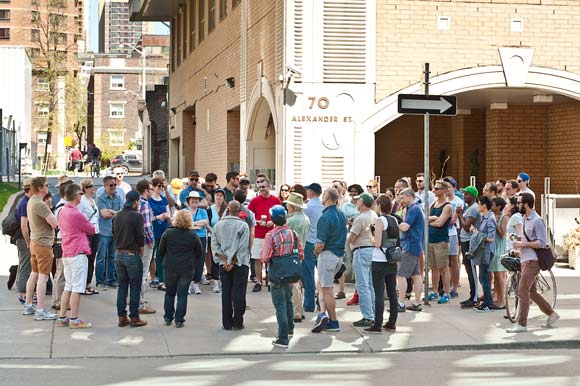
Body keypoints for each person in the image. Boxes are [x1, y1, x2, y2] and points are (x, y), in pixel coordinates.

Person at [508, 193, 559, 332]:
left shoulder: (537, 220)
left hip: (533, 261)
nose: (517, 205)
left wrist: (522, 245)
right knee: (532, 292)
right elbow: (528, 240)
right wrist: (519, 245)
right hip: (525, 259)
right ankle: (552, 314)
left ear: (525, 204)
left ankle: (522, 324)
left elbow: (542, 243)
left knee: (522, 291)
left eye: (519, 203)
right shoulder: (525, 219)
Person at [260, 205, 305, 348]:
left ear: (272, 219)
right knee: (288, 300)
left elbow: (265, 257)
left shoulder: (270, 235)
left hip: (277, 273)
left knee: (279, 304)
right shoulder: (293, 233)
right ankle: (290, 328)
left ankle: (283, 338)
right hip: (291, 272)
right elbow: (301, 253)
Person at [56, 184, 95, 328]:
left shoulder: (62, 211)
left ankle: (62, 317)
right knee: (78, 287)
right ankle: (74, 319)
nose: (81, 195)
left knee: (69, 285)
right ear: (75, 195)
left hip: (67, 252)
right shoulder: (75, 213)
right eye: (80, 193)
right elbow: (90, 229)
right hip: (78, 253)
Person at [158, 210, 203, 328]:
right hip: (186, 268)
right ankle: (179, 320)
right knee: (182, 294)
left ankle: (168, 317)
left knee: (169, 293)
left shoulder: (168, 233)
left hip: (170, 267)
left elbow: (161, 251)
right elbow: (199, 252)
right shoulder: (192, 235)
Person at [311, 188, 346, 333]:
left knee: (327, 289)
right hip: (338, 254)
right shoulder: (341, 214)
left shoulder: (325, 217)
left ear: (325, 197)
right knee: (325, 287)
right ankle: (325, 315)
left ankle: (333, 321)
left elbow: (320, 243)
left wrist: (315, 251)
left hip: (327, 254)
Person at [23, 177, 58, 321]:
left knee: (34, 274)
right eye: (45, 185)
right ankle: (40, 310)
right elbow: (54, 223)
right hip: (43, 244)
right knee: (43, 278)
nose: (47, 187)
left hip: (35, 242)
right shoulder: (40, 204)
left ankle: (28, 305)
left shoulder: (31, 201)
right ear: (39, 188)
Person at [212, 201, 250, 330]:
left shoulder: (218, 225)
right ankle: (238, 321)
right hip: (240, 263)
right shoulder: (243, 226)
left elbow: (214, 246)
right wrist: (232, 261)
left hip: (224, 263)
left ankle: (226, 322)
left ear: (228, 209)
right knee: (239, 293)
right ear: (239, 211)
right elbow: (243, 247)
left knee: (226, 293)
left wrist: (226, 260)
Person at [365, 195, 400, 334]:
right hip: (391, 259)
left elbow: (377, 243)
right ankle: (392, 322)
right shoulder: (394, 220)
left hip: (379, 260)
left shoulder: (380, 220)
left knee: (379, 292)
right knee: (392, 291)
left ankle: (377, 323)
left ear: (379, 205)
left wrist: (369, 234)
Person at [113, 190, 147, 328]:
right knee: (134, 286)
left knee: (122, 286)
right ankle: (134, 317)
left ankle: (122, 317)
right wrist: (141, 247)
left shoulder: (117, 215)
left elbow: (113, 233)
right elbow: (140, 235)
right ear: (136, 202)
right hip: (132, 254)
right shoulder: (137, 216)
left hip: (118, 253)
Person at [348, 192, 378, 328]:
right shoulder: (374, 215)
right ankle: (373, 313)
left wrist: (349, 240)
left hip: (361, 250)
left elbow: (352, 237)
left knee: (362, 285)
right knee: (370, 284)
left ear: (362, 202)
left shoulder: (360, 218)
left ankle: (368, 316)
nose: (356, 202)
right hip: (372, 250)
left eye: (358, 200)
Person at [248, 177, 281, 292]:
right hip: (258, 234)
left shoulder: (276, 200)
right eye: (260, 187)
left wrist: (273, 221)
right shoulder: (254, 201)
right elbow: (249, 216)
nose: (262, 189)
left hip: (272, 234)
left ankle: (269, 281)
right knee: (257, 258)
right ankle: (258, 281)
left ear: (269, 187)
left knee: (271, 259)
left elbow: (281, 216)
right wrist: (258, 222)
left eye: (264, 187)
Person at [283, 192, 310, 323]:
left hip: (290, 253)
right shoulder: (305, 219)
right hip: (300, 251)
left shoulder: (291, 220)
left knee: (292, 283)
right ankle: (300, 308)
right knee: (298, 282)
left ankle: (297, 311)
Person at [396, 189, 424, 313]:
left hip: (410, 245)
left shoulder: (413, 209)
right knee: (416, 275)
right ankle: (417, 303)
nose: (400, 200)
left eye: (402, 198)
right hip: (416, 245)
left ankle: (400, 303)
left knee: (401, 275)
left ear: (408, 196)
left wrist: (396, 224)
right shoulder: (416, 208)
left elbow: (405, 226)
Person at [426, 180, 453, 304]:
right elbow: (426, 219)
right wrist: (433, 219)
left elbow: (440, 223)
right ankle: (435, 291)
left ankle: (446, 293)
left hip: (441, 241)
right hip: (430, 240)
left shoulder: (447, 206)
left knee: (443, 268)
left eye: (437, 189)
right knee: (434, 267)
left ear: (444, 190)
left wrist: (431, 221)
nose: (434, 191)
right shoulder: (433, 204)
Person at [95, 175, 123, 290]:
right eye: (111, 185)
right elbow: (104, 214)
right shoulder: (100, 198)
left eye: (115, 185)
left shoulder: (118, 197)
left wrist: (112, 212)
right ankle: (100, 281)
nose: (113, 187)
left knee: (112, 256)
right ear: (105, 186)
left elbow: (122, 212)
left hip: (115, 231)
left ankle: (111, 279)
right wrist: (114, 213)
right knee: (101, 257)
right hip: (104, 231)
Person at [457, 186, 481, 309]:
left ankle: (475, 297)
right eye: (464, 194)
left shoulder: (473, 209)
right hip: (465, 240)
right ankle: (472, 296)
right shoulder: (469, 208)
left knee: (471, 269)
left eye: (467, 195)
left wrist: (460, 215)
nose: (464, 196)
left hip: (469, 241)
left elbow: (466, 226)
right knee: (467, 268)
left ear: (473, 196)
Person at [473, 196, 497, 313]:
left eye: (479, 204)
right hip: (483, 251)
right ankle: (487, 301)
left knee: (484, 277)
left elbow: (491, 238)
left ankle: (488, 303)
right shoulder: (483, 217)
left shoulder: (490, 218)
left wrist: (479, 236)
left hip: (488, 251)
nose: (477, 206)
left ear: (484, 205)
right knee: (482, 277)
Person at [302, 182, 324, 308]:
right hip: (321, 242)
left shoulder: (307, 208)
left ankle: (309, 303)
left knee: (308, 274)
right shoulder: (323, 207)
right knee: (322, 275)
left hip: (309, 242)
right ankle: (321, 301)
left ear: (312, 192)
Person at [136, 179, 156, 314]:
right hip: (145, 242)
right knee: (143, 273)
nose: (152, 191)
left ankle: (136, 299)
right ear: (145, 190)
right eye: (150, 189)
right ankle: (141, 303)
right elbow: (147, 225)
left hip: (135, 242)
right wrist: (151, 240)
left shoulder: (135, 203)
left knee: (137, 273)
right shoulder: (145, 204)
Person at [78, 179, 100, 295]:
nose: (93, 188)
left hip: (96, 231)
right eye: (91, 186)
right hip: (87, 232)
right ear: (85, 188)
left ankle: (88, 284)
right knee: (85, 259)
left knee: (92, 259)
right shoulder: (82, 201)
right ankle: (82, 285)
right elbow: (80, 217)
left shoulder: (92, 200)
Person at [443, 176, 463, 298]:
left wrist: (440, 220)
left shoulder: (458, 201)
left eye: (449, 187)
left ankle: (455, 287)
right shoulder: (441, 200)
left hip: (453, 233)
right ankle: (446, 286)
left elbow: (452, 220)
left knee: (454, 260)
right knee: (444, 262)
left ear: (454, 188)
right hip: (441, 233)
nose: (446, 190)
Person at [185, 191, 209, 294]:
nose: (194, 201)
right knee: (188, 260)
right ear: (189, 201)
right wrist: (197, 226)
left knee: (200, 260)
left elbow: (206, 222)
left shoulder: (202, 211)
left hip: (201, 237)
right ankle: (189, 283)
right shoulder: (184, 211)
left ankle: (196, 283)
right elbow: (183, 224)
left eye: (196, 199)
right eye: (192, 199)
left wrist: (192, 224)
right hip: (188, 238)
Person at [149, 177, 171, 290]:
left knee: (162, 254)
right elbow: (149, 217)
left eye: (162, 186)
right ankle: (152, 278)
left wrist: (166, 216)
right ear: (153, 186)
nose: (160, 188)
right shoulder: (149, 201)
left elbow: (169, 213)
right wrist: (158, 217)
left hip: (164, 229)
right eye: (158, 186)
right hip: (154, 229)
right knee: (151, 254)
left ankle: (162, 279)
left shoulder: (164, 199)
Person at [14, 178, 33, 304]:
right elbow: (23, 225)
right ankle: (23, 294)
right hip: (23, 238)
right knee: (26, 265)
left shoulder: (25, 201)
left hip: (21, 237)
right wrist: (28, 241)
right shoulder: (25, 203)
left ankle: (22, 290)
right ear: (30, 189)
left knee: (23, 264)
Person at [208, 189, 228, 293]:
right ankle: (215, 281)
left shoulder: (226, 210)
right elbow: (208, 223)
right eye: (217, 195)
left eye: (221, 196)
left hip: (224, 238)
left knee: (224, 259)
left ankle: (223, 279)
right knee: (215, 259)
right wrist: (214, 234)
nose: (219, 197)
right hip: (213, 237)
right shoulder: (210, 209)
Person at [490, 197, 507, 309]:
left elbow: (502, 234)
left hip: (499, 249)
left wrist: (495, 223)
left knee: (500, 276)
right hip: (492, 247)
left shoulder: (504, 217)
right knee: (495, 276)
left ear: (499, 206)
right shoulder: (492, 216)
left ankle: (502, 300)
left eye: (493, 204)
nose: (491, 205)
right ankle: (496, 297)